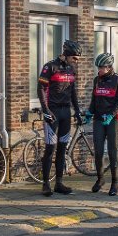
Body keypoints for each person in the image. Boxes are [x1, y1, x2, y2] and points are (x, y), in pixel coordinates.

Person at [37, 39, 82, 197]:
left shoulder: (71, 69)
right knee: (50, 148)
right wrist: (45, 110)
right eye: (74, 58)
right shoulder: (50, 67)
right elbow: (41, 89)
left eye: (78, 59)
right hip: (53, 112)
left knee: (62, 149)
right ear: (67, 54)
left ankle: (59, 183)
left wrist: (77, 110)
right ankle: (45, 184)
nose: (76, 61)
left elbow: (73, 91)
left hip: (66, 112)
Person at [88, 52, 118, 196]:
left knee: (112, 151)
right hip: (98, 119)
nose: (99, 70)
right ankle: (100, 179)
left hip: (113, 119)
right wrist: (90, 112)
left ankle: (115, 182)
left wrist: (111, 115)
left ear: (109, 67)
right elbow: (94, 99)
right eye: (98, 67)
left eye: (101, 67)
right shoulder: (97, 80)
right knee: (98, 151)